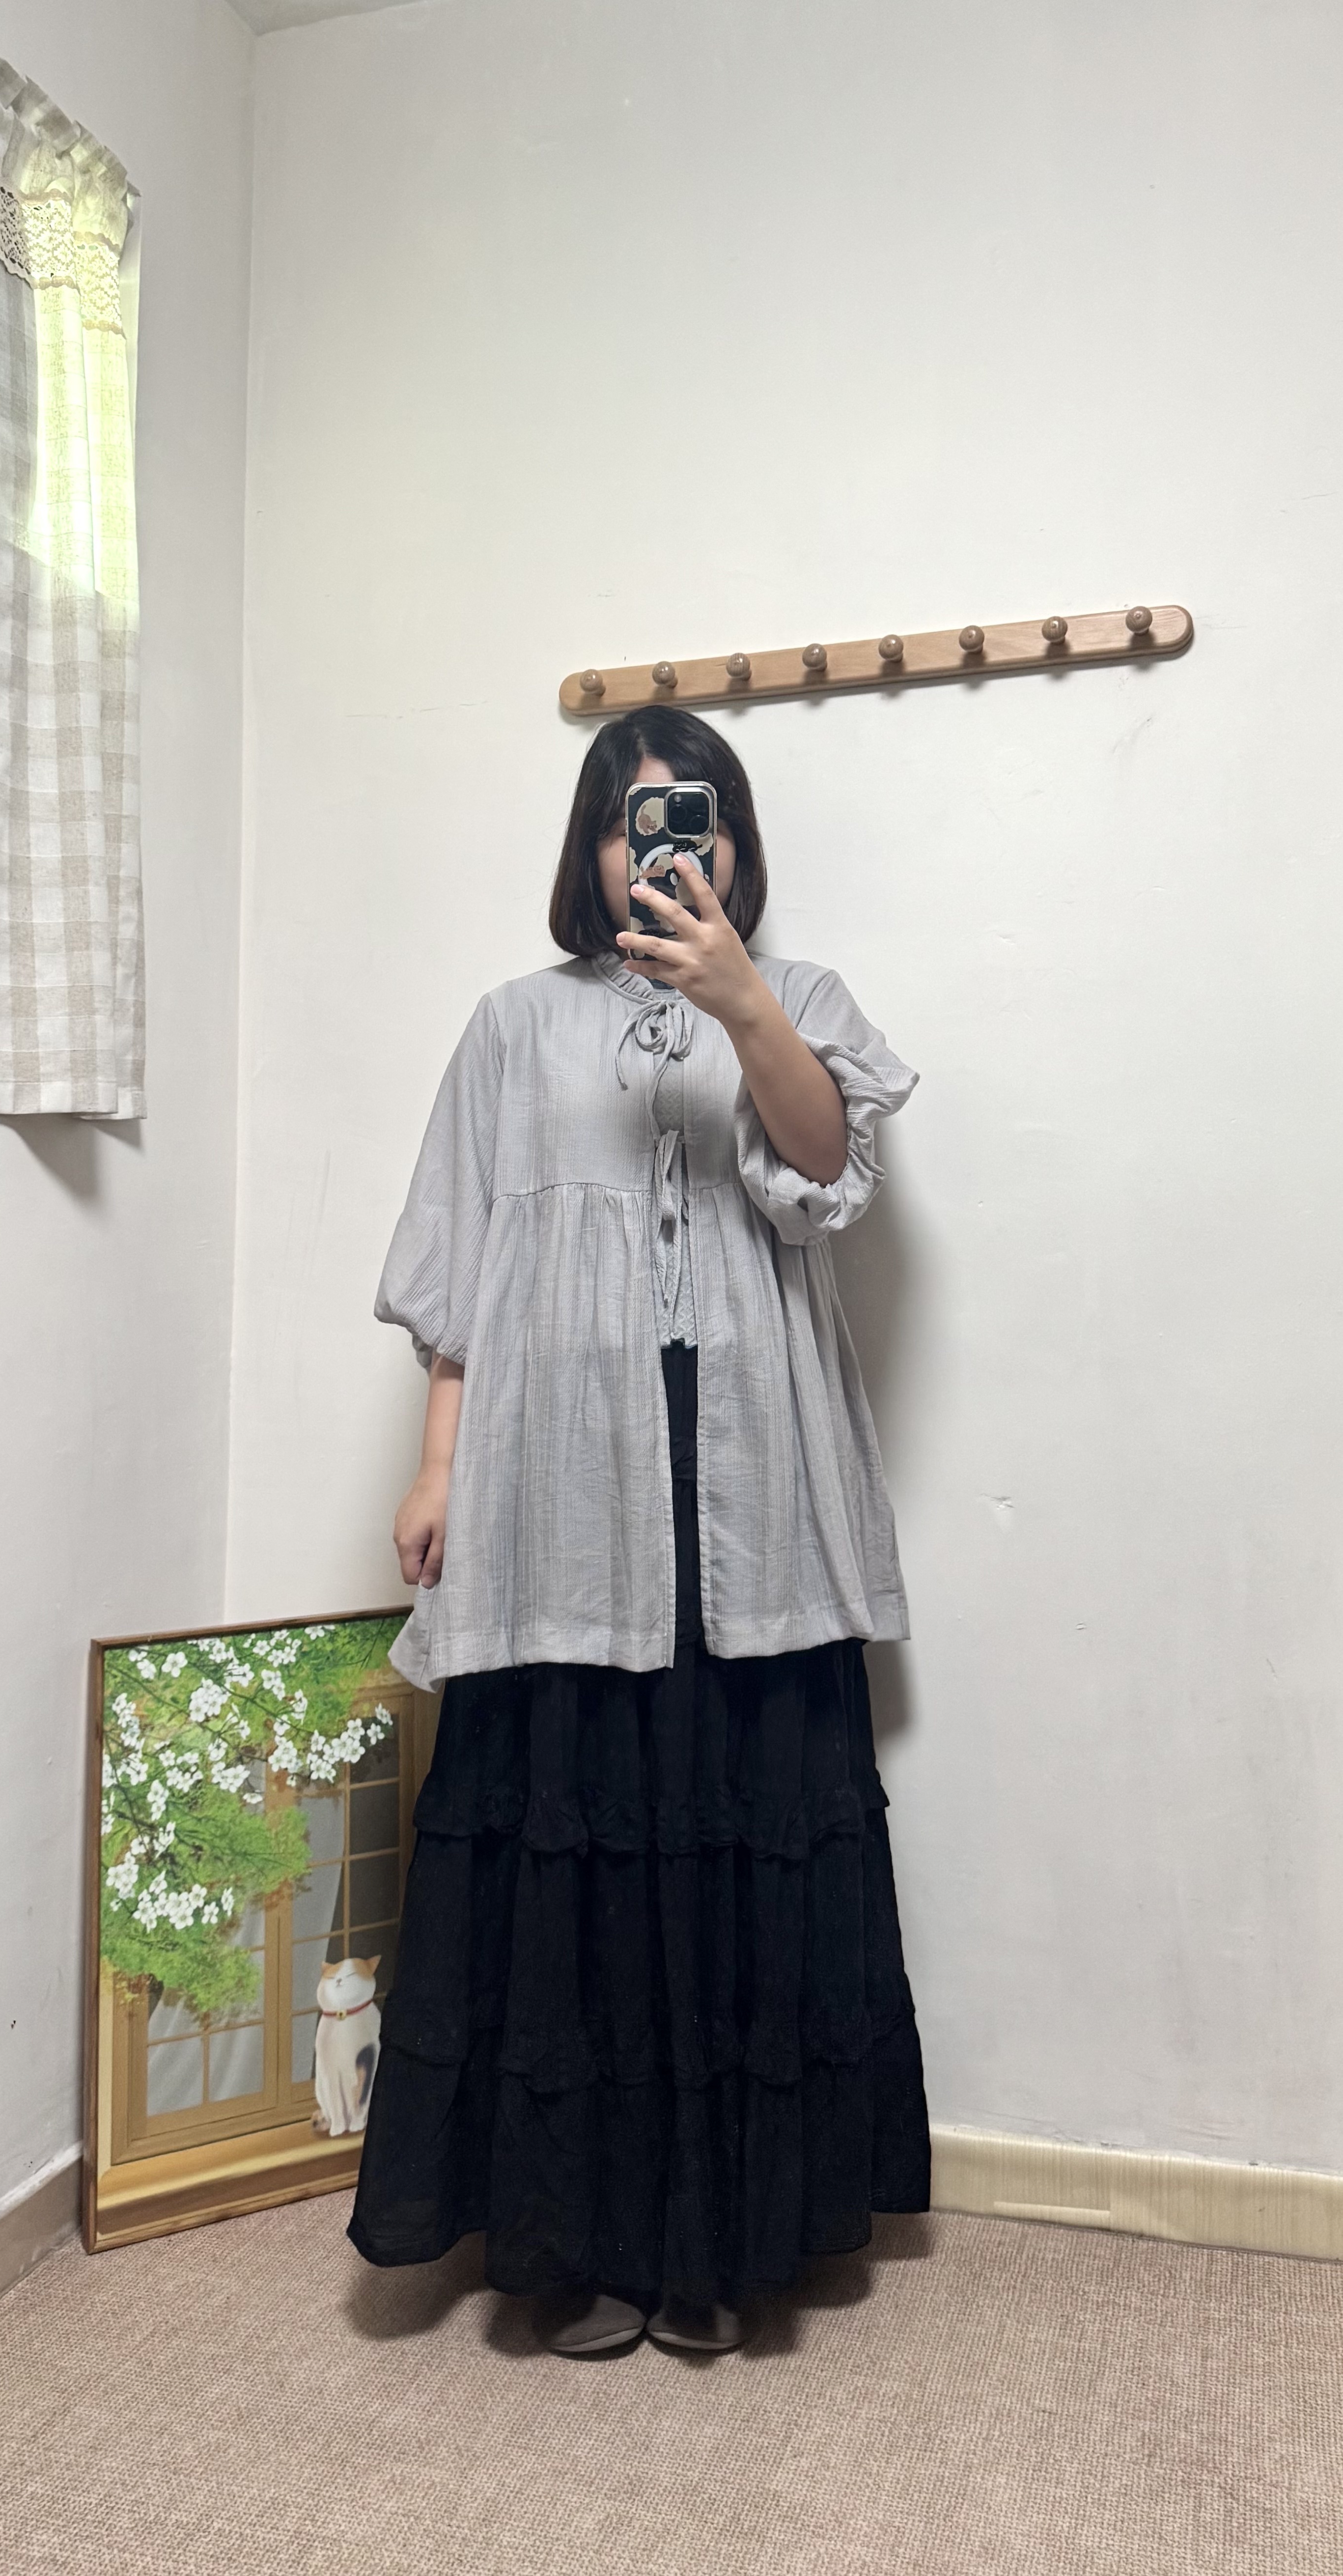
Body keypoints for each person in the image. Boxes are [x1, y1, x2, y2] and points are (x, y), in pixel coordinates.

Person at [349, 707, 930, 2356]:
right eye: (629, 819)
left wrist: (739, 998)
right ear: (589, 849)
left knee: (733, 1824)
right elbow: (464, 1269)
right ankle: (576, 2241)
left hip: (748, 1478)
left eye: (695, 816)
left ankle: (723, 2244)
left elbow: (822, 1175)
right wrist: (437, 1466)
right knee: (576, 1838)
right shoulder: (511, 1025)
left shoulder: (799, 1002)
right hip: (560, 1487)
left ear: (734, 844)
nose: (663, 845)